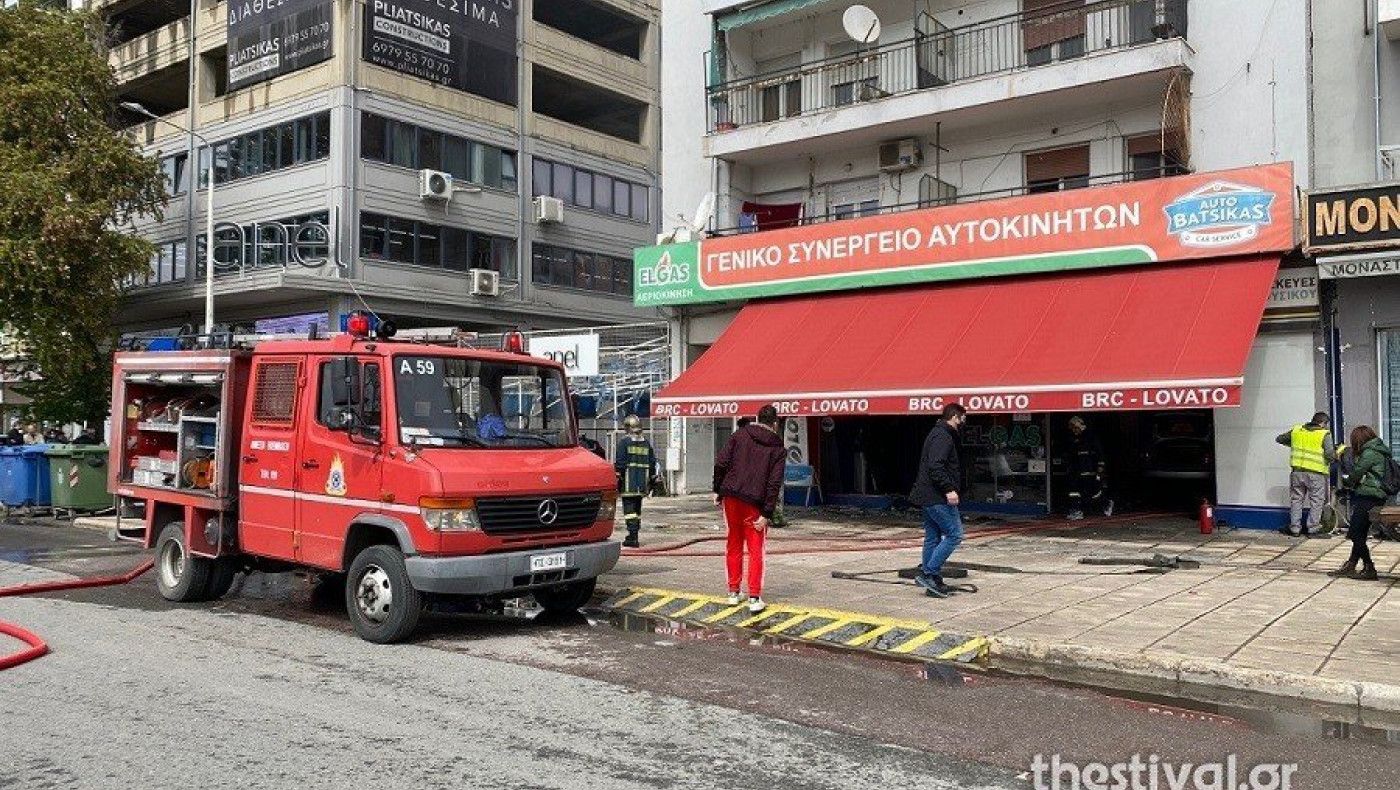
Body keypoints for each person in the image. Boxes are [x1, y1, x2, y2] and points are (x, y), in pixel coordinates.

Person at [714, 405, 787, 614]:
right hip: (755, 503)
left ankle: (733, 593)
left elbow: (721, 463)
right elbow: (774, 483)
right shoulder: (778, 449)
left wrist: (718, 490)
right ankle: (754, 597)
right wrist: (767, 513)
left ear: (757, 418)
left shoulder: (739, 435)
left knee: (733, 542)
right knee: (756, 549)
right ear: (775, 423)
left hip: (731, 497)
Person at [908, 403, 968, 599]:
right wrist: (949, 489)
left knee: (933, 537)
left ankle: (932, 577)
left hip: (927, 495)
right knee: (955, 534)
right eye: (962, 418)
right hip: (937, 496)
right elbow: (936, 466)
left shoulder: (936, 433)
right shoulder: (943, 436)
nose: (963, 422)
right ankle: (930, 573)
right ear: (955, 417)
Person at [1334, 425, 1389, 581]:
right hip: (1375, 495)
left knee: (1355, 533)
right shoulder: (1379, 450)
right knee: (1361, 533)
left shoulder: (1369, 453)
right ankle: (1351, 564)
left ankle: (1369, 567)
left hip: (1369, 496)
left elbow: (1356, 474)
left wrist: (1347, 480)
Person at [1276, 412, 1336, 537]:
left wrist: (1295, 444)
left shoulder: (1297, 431)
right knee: (1316, 501)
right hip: (1316, 473)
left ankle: (1295, 528)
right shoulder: (1324, 434)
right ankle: (1313, 528)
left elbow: (1280, 439)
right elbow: (1330, 454)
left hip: (1297, 473)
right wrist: (1336, 456)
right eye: (1325, 424)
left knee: (1296, 500)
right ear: (1322, 423)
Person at [614, 414, 658, 548]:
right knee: (637, 510)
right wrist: (651, 481)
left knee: (629, 511)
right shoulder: (646, 443)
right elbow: (652, 463)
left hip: (628, 482)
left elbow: (620, 463)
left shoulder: (624, 442)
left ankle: (632, 536)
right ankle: (634, 534)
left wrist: (617, 478)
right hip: (642, 484)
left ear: (627, 428)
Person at [1066, 416, 1113, 520]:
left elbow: (1099, 454)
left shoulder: (1090, 438)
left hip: (1089, 471)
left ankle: (1106, 503)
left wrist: (1100, 469)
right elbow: (1072, 455)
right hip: (1077, 471)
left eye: (1075, 428)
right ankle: (1077, 510)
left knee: (1092, 493)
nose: (1073, 430)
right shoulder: (1073, 439)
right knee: (1075, 492)